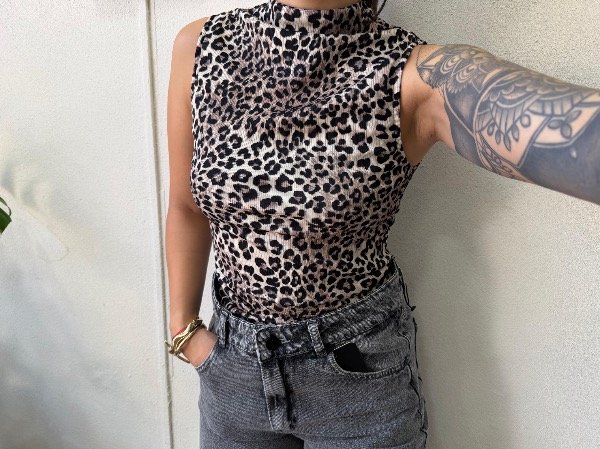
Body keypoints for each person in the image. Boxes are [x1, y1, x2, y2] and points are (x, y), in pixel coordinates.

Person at [164, 1, 600, 447]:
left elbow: (566, 130)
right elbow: (185, 207)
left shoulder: (413, 78)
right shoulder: (201, 47)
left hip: (357, 381)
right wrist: (184, 331)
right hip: (231, 373)